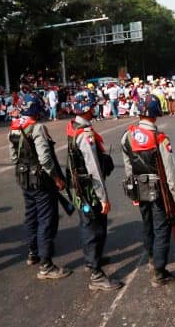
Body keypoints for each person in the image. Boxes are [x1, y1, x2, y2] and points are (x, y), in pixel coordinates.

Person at [121, 94, 175, 287]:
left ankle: (151, 257)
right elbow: (171, 173)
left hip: (139, 187)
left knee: (147, 224)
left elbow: (128, 166)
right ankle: (159, 271)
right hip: (159, 190)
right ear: (156, 113)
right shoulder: (159, 138)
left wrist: (133, 193)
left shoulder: (128, 135)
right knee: (162, 228)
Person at [7, 93, 71, 280]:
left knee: (31, 215)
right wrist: (56, 178)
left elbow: (13, 157)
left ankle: (33, 252)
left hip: (24, 178)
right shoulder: (37, 128)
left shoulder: (14, 128)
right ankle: (46, 265)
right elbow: (45, 158)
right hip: (41, 180)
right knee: (46, 219)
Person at [66, 90, 122, 291]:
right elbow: (94, 169)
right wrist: (103, 197)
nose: (96, 107)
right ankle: (96, 273)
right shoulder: (85, 134)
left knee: (88, 225)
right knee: (94, 228)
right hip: (89, 188)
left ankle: (94, 259)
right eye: (93, 105)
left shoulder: (74, 127)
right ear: (88, 108)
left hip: (80, 186)